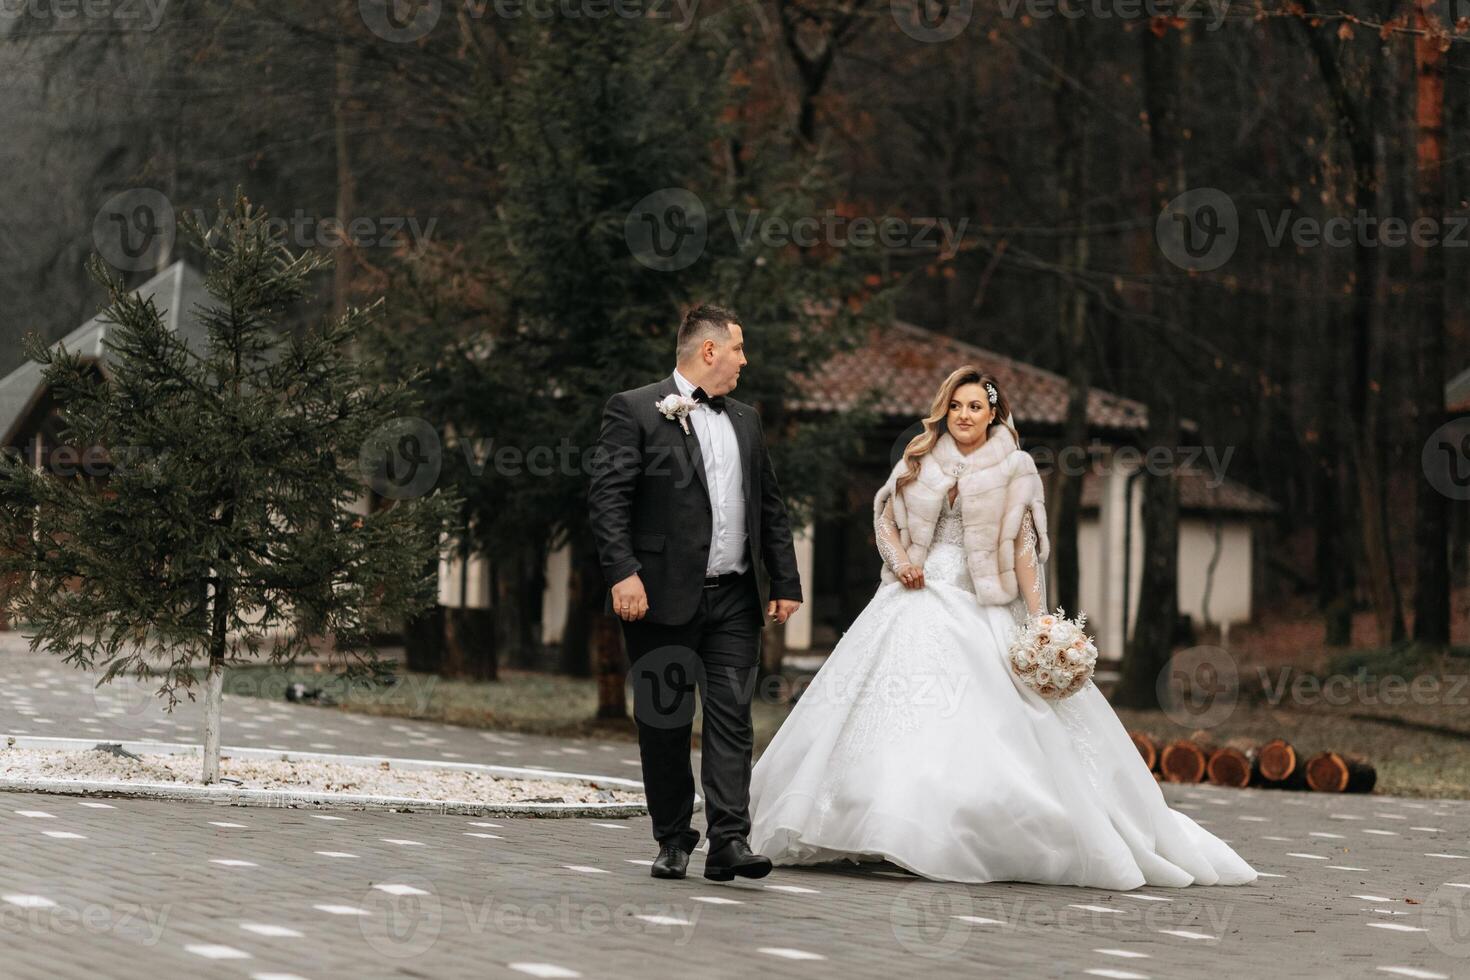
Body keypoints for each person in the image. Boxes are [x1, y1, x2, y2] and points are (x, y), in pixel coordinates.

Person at [747, 365, 1258, 890]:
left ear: (994, 413)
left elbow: (1025, 549)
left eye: (975, 407)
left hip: (980, 600)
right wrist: (900, 562)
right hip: (911, 596)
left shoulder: (1015, 468)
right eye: (956, 406)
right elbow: (885, 518)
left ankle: (952, 831)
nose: (964, 416)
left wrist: (1039, 622)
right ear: (944, 409)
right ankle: (872, 825)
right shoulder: (920, 456)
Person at [588, 303, 803, 882]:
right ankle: (673, 837)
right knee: (665, 718)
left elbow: (769, 505)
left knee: (733, 716)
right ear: (709, 350)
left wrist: (784, 580)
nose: (744, 359)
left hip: (734, 596)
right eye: (738, 348)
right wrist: (622, 573)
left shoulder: (748, 420)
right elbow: (608, 500)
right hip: (657, 596)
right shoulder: (633, 409)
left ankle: (730, 839)